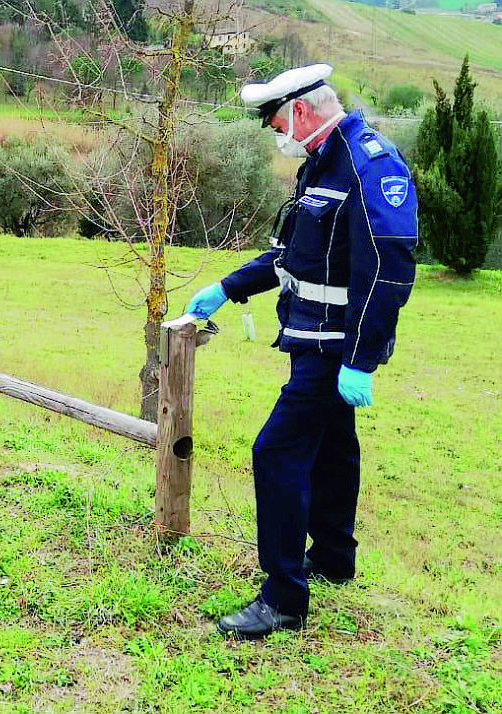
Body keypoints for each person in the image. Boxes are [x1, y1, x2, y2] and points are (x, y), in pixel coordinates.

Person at [185, 65, 417, 639]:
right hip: (311, 337)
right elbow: (291, 255)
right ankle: (335, 556)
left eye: (276, 122)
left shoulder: (369, 165)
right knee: (334, 446)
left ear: (304, 112)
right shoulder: (322, 162)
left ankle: (284, 598)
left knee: (276, 452)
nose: (275, 133)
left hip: (334, 348)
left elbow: (389, 271)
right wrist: (227, 289)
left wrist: (361, 360)